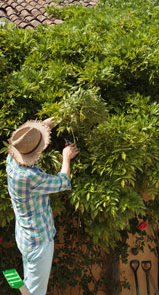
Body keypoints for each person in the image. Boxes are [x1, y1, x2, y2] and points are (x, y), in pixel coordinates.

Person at [6, 117, 79, 295]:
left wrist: (62, 116)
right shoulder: (29, 177)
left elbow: (35, 131)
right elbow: (62, 181)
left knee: (29, 283)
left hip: (25, 236)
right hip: (38, 243)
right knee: (35, 292)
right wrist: (66, 157)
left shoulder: (12, 159)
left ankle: (24, 288)